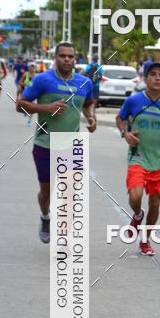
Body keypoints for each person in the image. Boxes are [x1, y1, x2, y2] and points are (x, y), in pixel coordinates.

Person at [17, 42, 96, 243]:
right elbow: (21, 105)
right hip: (45, 143)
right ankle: (45, 217)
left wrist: (91, 117)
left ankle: (63, 237)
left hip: (72, 145)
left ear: (75, 59)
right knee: (46, 192)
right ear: (56, 58)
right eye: (62, 56)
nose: (67, 60)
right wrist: (46, 107)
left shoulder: (84, 83)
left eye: (70, 56)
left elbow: (88, 103)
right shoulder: (43, 80)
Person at [116, 61, 160, 256]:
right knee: (135, 196)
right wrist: (125, 134)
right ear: (144, 78)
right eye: (152, 74)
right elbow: (120, 119)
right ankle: (137, 215)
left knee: (155, 203)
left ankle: (145, 240)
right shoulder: (134, 100)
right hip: (138, 157)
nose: (157, 77)